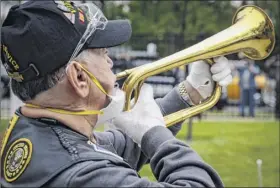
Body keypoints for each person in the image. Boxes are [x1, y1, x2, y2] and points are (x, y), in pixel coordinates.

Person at [0, 1, 232, 187]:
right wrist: (156, 133)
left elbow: (119, 145)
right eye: (102, 53)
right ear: (79, 78)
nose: (110, 61)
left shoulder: (35, 132)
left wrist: (190, 91)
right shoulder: (84, 175)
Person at [235, 52, 260, 117]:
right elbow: (236, 65)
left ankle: (251, 114)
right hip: (243, 86)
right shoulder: (242, 67)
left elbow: (257, 72)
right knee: (242, 101)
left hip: (251, 86)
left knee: (251, 101)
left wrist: (250, 65)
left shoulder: (253, 67)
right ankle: (242, 113)